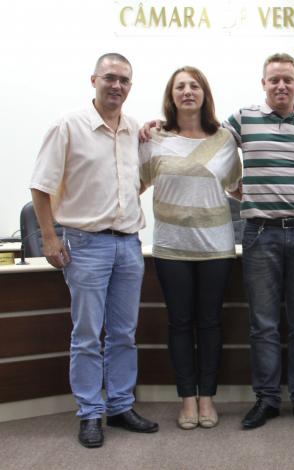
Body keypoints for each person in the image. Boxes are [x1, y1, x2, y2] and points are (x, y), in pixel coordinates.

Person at [30, 53, 158, 448]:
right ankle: (90, 412)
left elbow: (135, 181)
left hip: (128, 244)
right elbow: (40, 185)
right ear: (94, 80)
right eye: (110, 78)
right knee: (87, 335)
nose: (116, 85)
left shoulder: (133, 128)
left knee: (123, 333)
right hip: (85, 245)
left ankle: (120, 405)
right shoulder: (68, 126)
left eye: (124, 80)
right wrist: (50, 238)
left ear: (130, 87)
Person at [224, 53, 294, 430]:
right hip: (260, 235)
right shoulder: (243, 118)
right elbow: (206, 142)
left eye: (288, 79)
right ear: (263, 83)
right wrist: (240, 191)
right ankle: (266, 400)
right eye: (274, 80)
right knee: (263, 325)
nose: (281, 85)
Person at [139, 66, 241, 430]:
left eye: (194, 85)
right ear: (171, 95)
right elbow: (133, 184)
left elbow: (238, 188)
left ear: (204, 94)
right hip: (171, 247)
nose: (187, 91)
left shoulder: (225, 139)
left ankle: (207, 398)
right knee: (180, 323)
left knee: (211, 323)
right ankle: (187, 399)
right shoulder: (153, 138)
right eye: (180, 86)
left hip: (215, 246)